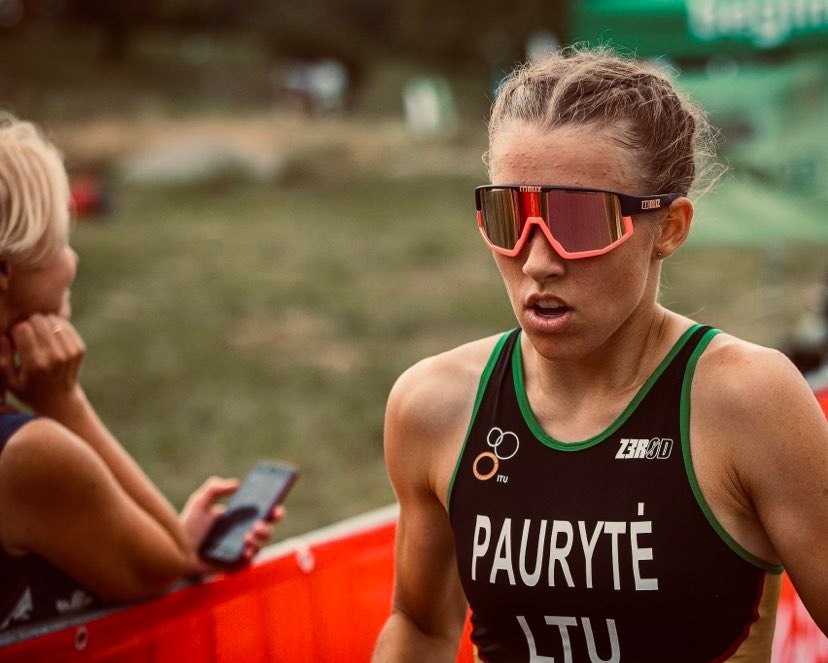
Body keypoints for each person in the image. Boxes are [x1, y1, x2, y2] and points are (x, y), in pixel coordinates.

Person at [372, 46, 828, 662]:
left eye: (580, 221)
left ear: (669, 227)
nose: (537, 260)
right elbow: (421, 627)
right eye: (509, 215)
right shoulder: (433, 404)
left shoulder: (749, 401)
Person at [0, 113, 281, 631]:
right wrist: (63, 402)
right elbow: (161, 564)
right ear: (4, 272)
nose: (73, 260)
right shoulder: (25, 455)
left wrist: (154, 535)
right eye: (60, 241)